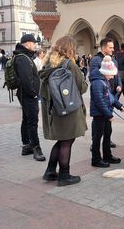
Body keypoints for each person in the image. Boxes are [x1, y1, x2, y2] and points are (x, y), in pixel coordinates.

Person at [39, 35, 88, 186]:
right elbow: (83, 87)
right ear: (69, 49)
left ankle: (50, 171)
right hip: (68, 109)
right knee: (67, 141)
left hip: (54, 109)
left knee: (62, 140)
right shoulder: (69, 65)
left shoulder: (47, 65)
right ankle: (64, 175)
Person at [14, 34, 45, 161]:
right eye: (34, 43)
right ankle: (36, 148)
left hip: (26, 94)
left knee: (26, 119)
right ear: (27, 44)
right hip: (28, 95)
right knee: (32, 122)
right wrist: (34, 94)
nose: (35, 45)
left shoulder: (24, 56)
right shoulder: (22, 58)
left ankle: (27, 146)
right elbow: (26, 80)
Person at [90, 55, 124, 168]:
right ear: (105, 72)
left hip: (105, 114)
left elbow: (110, 97)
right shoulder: (97, 83)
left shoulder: (105, 81)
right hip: (99, 115)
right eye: (111, 74)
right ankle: (96, 159)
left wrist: (119, 106)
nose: (112, 77)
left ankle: (107, 155)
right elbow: (100, 101)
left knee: (107, 134)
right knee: (97, 137)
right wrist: (109, 114)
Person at [89, 37, 122, 148]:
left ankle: (107, 141)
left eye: (113, 47)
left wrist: (119, 85)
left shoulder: (114, 60)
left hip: (111, 94)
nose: (113, 49)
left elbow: (117, 75)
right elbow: (93, 77)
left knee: (108, 123)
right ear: (103, 47)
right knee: (99, 123)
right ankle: (95, 142)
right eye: (110, 47)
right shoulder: (96, 60)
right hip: (102, 95)